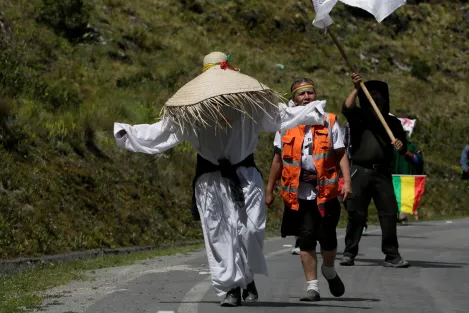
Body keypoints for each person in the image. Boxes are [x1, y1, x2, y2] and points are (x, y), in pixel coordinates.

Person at [113, 52, 328, 307]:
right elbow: (162, 131)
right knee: (220, 234)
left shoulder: (251, 104)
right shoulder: (191, 111)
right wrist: (128, 132)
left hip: (246, 177)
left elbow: (282, 116)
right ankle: (231, 288)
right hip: (211, 180)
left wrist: (312, 111)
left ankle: (246, 277)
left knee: (250, 231)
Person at [267, 78, 352, 302]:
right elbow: (277, 159)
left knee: (328, 240)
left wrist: (348, 182)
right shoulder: (285, 125)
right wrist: (269, 188)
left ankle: (329, 270)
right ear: (293, 99)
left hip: (326, 193)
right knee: (305, 240)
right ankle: (312, 287)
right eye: (301, 94)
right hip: (299, 194)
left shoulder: (328, 120)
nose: (307, 97)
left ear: (316, 95)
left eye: (310, 93)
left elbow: (340, 153)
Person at [339, 72, 410, 268]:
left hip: (382, 173)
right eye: (372, 94)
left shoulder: (393, 123)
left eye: (380, 94)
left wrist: (400, 146)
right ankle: (349, 252)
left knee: (388, 213)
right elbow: (346, 108)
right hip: (360, 171)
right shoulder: (359, 118)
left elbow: (404, 148)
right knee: (356, 214)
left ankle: (392, 254)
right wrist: (356, 88)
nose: (376, 97)